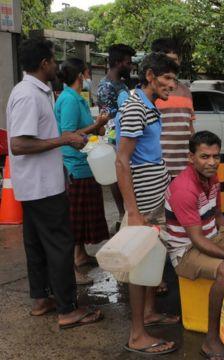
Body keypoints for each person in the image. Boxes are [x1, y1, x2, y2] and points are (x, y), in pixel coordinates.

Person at [7, 38, 102, 329]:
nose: (56, 66)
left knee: (36, 244)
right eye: (52, 60)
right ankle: (67, 309)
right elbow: (19, 143)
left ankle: (42, 299)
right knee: (60, 245)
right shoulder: (28, 95)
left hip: (37, 185)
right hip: (42, 186)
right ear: (44, 63)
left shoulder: (37, 91)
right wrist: (64, 139)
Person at [162, 131, 224, 359]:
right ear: (191, 158)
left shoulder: (211, 177)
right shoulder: (184, 189)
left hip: (212, 237)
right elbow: (197, 240)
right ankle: (210, 340)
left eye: (215, 156)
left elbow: (218, 216)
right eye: (204, 156)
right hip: (186, 252)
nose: (211, 162)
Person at [115, 52, 180, 355]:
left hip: (155, 199)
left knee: (153, 256)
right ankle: (137, 335)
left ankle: (151, 312)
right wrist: (133, 212)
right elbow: (122, 161)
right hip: (141, 203)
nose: (172, 84)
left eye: (174, 79)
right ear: (151, 76)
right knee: (139, 266)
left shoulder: (149, 105)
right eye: (167, 78)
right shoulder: (134, 108)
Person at [54, 58, 110, 283]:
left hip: (86, 163)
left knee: (83, 217)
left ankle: (81, 255)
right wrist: (96, 126)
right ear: (80, 75)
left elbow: (84, 129)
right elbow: (68, 133)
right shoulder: (68, 99)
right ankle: (73, 268)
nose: (88, 78)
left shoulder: (77, 98)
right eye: (87, 73)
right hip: (75, 165)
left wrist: (98, 126)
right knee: (74, 220)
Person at [96, 43, 136, 229]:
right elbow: (108, 120)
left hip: (127, 138)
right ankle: (122, 215)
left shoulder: (121, 84)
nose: (131, 66)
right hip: (116, 141)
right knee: (118, 178)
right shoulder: (105, 87)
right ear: (118, 62)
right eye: (128, 63)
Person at [151, 38, 195, 178]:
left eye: (175, 60)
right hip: (158, 171)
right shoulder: (150, 93)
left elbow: (190, 128)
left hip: (185, 169)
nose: (171, 65)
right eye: (166, 60)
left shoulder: (186, 91)